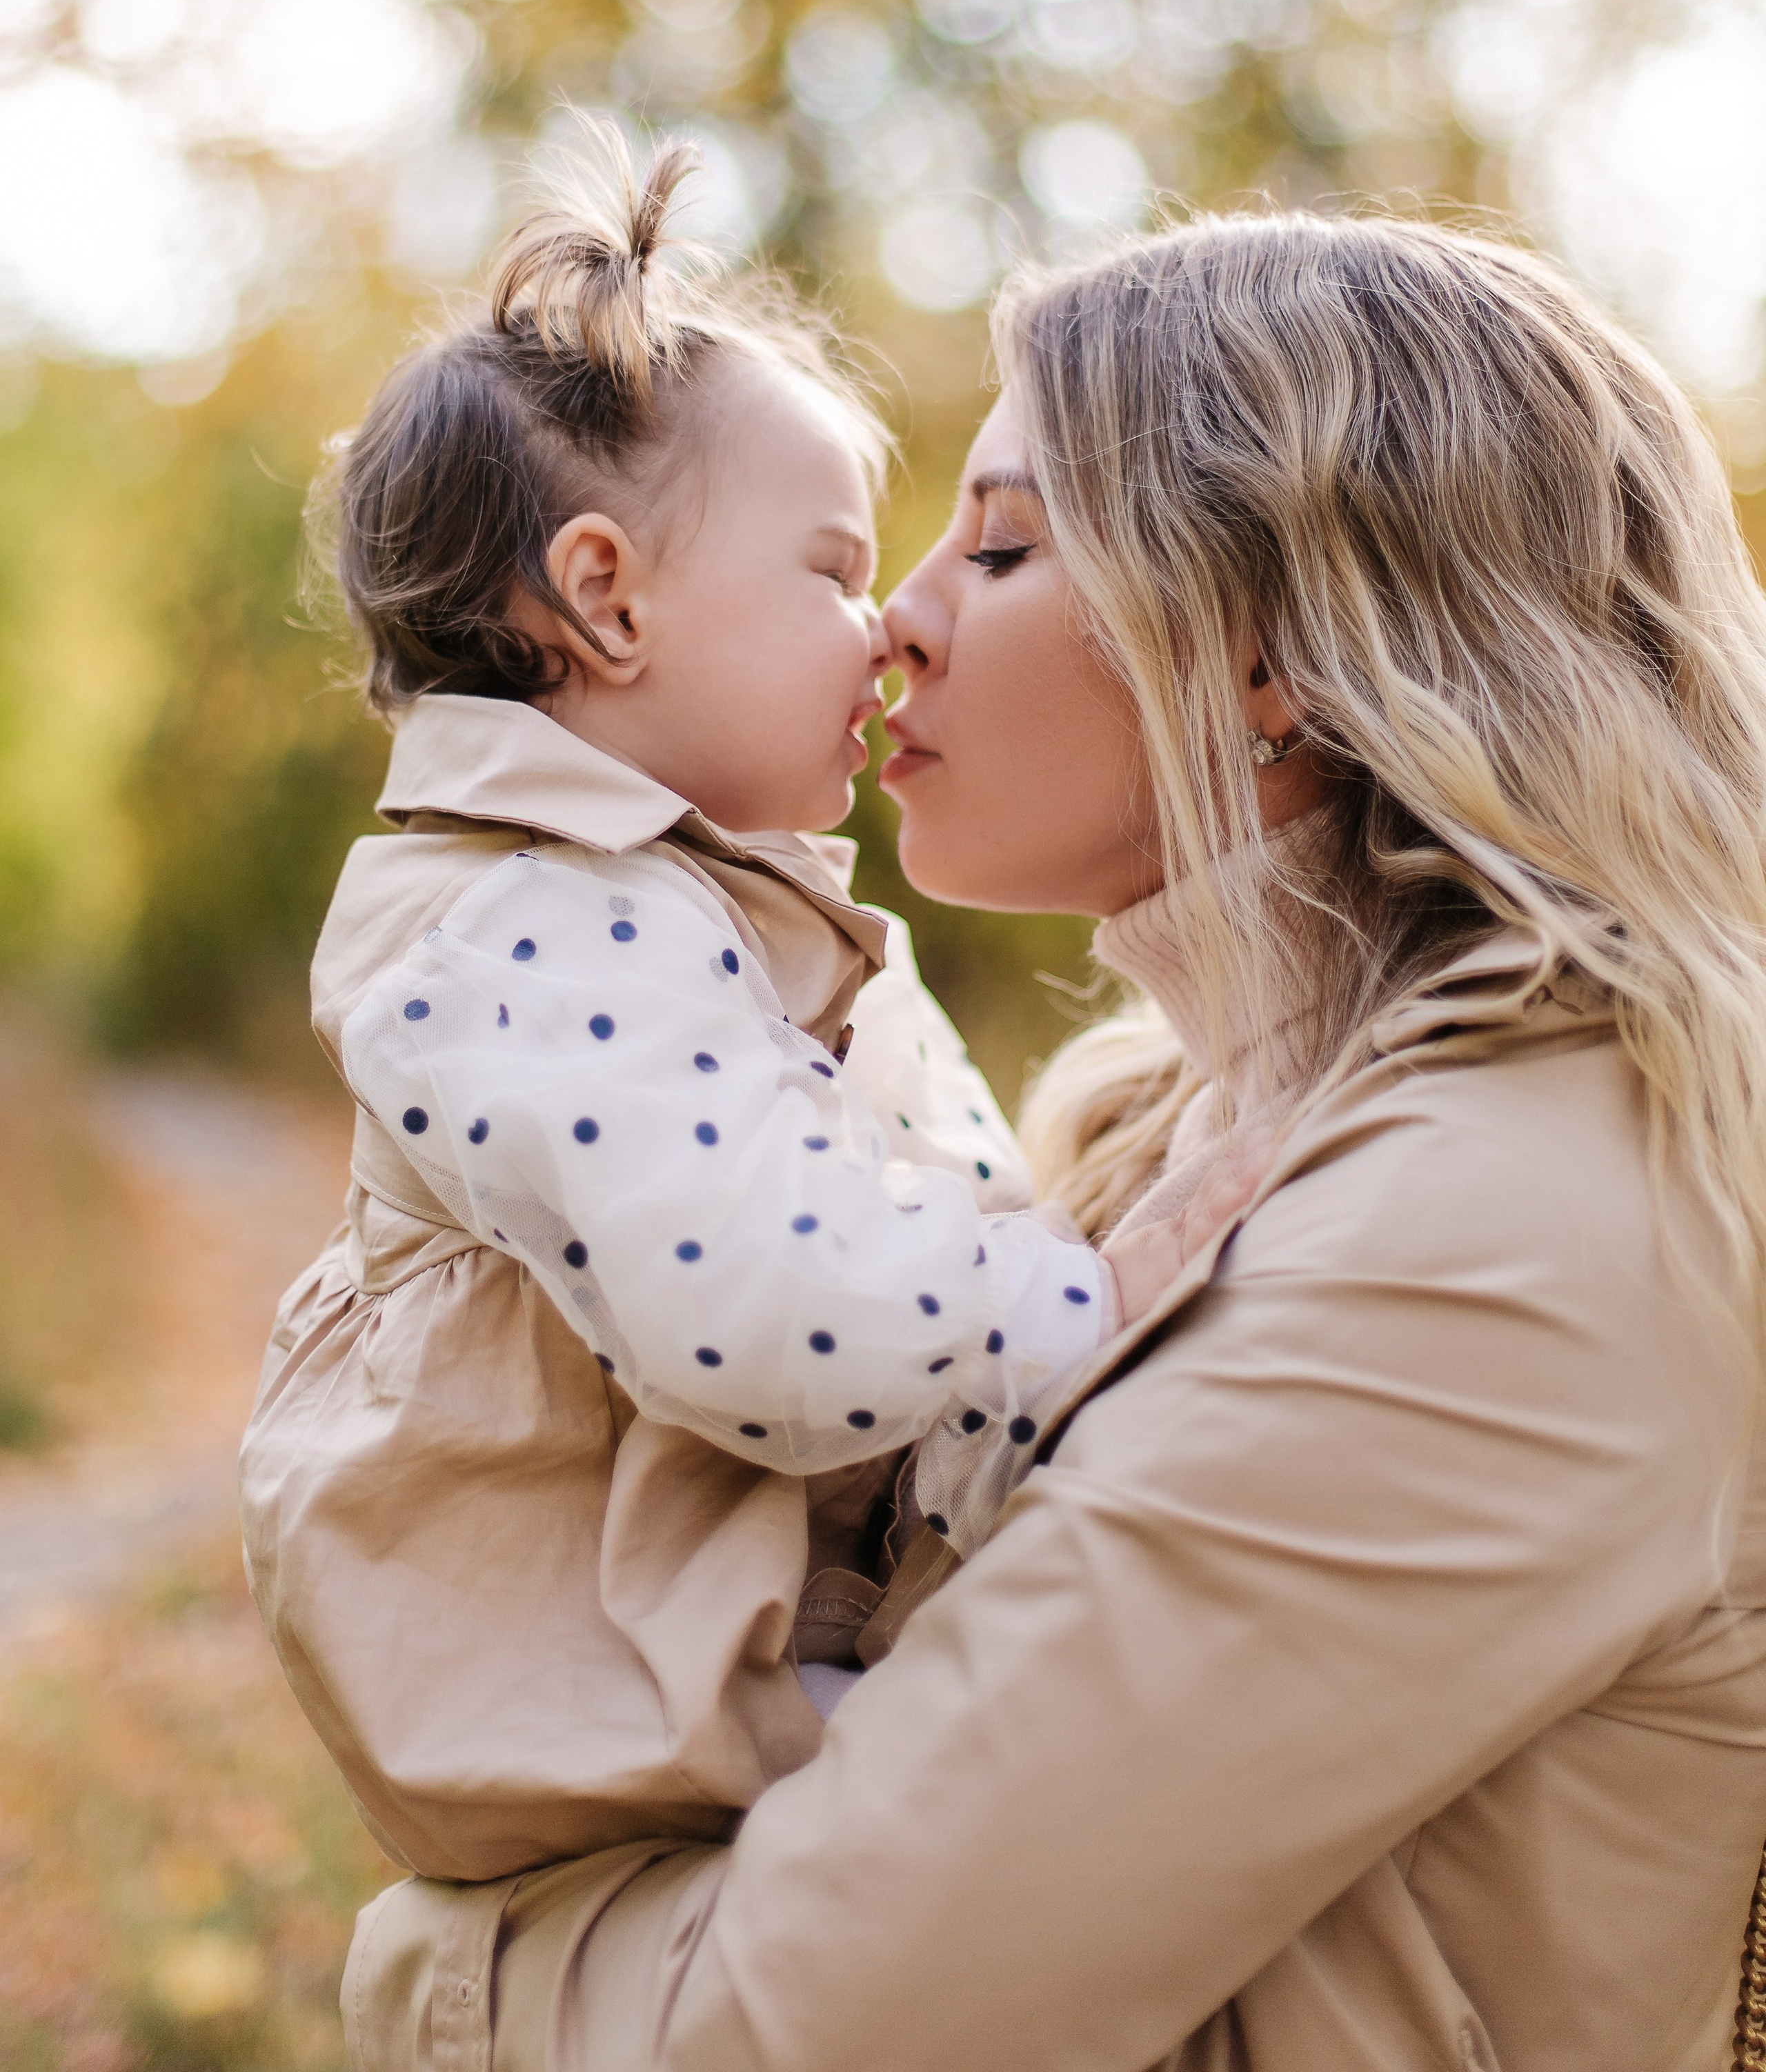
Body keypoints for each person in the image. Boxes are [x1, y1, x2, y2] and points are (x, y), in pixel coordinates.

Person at [343, 210, 1766, 2072]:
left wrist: (427, 1971)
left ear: (1271, 655)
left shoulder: (1499, 1226)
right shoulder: (1174, 1138)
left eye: (998, 543)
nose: (897, 617)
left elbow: (793, 2036)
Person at [241, 128, 1175, 1890]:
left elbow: (907, 1187)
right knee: (1104, 1814)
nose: (886, 629)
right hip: (613, 1705)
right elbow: (768, 1320)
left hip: (722, 1667)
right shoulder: (524, 932)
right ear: (608, 600)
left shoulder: (666, 903)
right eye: (829, 571)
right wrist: (1086, 1307)